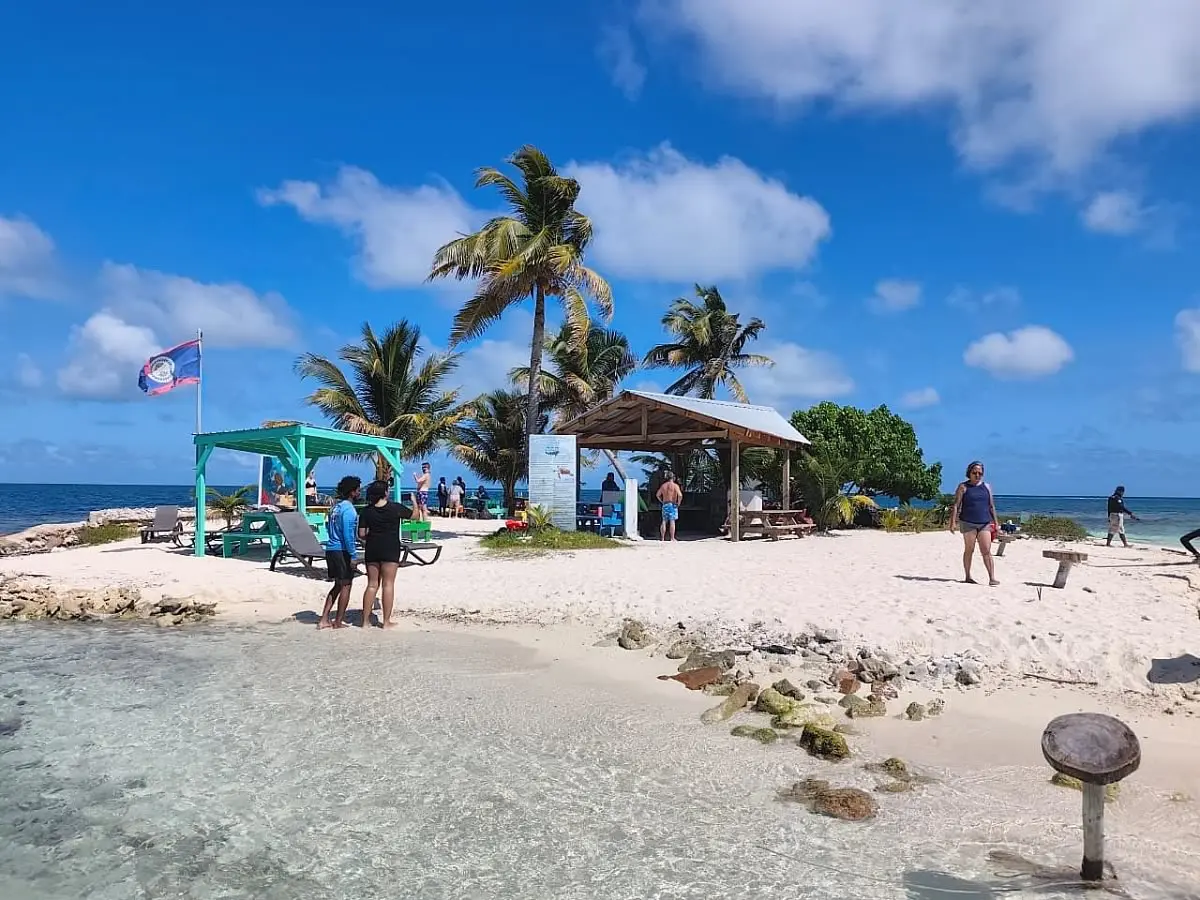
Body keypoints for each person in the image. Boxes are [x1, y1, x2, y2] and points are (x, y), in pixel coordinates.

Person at [357, 480, 403, 629]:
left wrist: (373, 534)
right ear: (385, 493)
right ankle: (386, 622)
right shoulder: (395, 508)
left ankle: (364, 622)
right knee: (388, 584)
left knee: (371, 585)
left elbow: (361, 534)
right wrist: (415, 501)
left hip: (372, 549)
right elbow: (415, 515)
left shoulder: (366, 510)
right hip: (390, 549)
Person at [319, 476, 361, 629]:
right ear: (352, 492)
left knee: (337, 585)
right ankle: (338, 621)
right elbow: (348, 535)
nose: (359, 492)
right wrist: (353, 555)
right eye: (358, 490)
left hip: (331, 548)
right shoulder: (349, 510)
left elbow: (329, 527)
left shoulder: (335, 508)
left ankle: (324, 618)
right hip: (341, 550)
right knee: (346, 585)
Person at [948, 460, 999, 586]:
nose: (977, 475)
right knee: (969, 549)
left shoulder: (987, 487)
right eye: (974, 473)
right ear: (969, 473)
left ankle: (992, 577)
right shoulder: (963, 487)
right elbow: (956, 505)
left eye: (980, 473)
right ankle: (968, 576)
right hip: (968, 522)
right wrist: (953, 522)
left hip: (984, 522)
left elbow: (991, 506)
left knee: (986, 550)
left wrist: (996, 523)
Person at [656, 471, 683, 542]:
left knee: (664, 521)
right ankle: (672, 538)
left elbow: (657, 495)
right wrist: (678, 503)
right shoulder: (675, 486)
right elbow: (680, 495)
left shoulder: (663, 486)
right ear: (673, 478)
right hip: (672, 504)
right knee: (672, 521)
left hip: (665, 504)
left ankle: (662, 538)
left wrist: (661, 501)